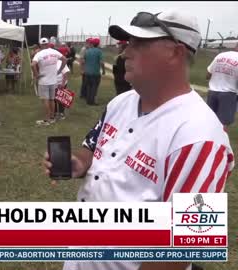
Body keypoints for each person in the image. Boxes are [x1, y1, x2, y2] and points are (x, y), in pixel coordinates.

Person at [43, 10, 234, 270]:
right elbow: (92, 146)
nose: (125, 52)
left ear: (175, 53)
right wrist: (79, 163)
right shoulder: (121, 102)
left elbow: (180, 249)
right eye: (127, 43)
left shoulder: (202, 136)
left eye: (139, 43)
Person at [32, 37, 67, 126]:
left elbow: (33, 64)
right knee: (52, 100)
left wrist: (36, 75)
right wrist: (60, 70)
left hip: (43, 81)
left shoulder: (39, 54)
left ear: (40, 45)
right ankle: (52, 118)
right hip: (53, 81)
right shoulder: (54, 52)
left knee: (46, 100)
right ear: (47, 44)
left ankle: (46, 120)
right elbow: (65, 59)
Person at [205, 44, 238, 129]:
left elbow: (208, 75)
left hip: (212, 92)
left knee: (209, 120)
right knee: (223, 123)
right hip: (229, 93)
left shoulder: (220, 55)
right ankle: (220, 140)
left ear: (235, 46)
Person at [83, 37, 105, 105]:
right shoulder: (99, 52)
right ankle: (92, 101)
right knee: (94, 87)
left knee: (89, 87)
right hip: (95, 73)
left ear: (92, 43)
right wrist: (103, 70)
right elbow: (101, 62)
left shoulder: (87, 51)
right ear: (98, 44)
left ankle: (88, 100)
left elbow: (84, 61)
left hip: (87, 72)